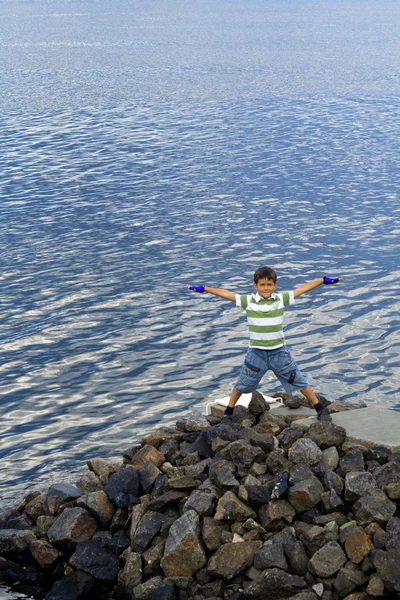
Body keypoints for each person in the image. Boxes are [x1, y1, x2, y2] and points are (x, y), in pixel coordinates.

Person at [186, 266, 342, 422]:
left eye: (269, 284)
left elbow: (302, 289)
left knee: (298, 380)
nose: (266, 288)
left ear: (275, 286)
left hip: (279, 353)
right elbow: (226, 294)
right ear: (255, 286)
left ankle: (320, 409)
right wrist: (205, 289)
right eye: (262, 284)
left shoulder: (281, 300)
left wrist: (322, 280)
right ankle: (228, 413)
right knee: (242, 383)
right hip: (256, 354)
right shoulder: (249, 301)